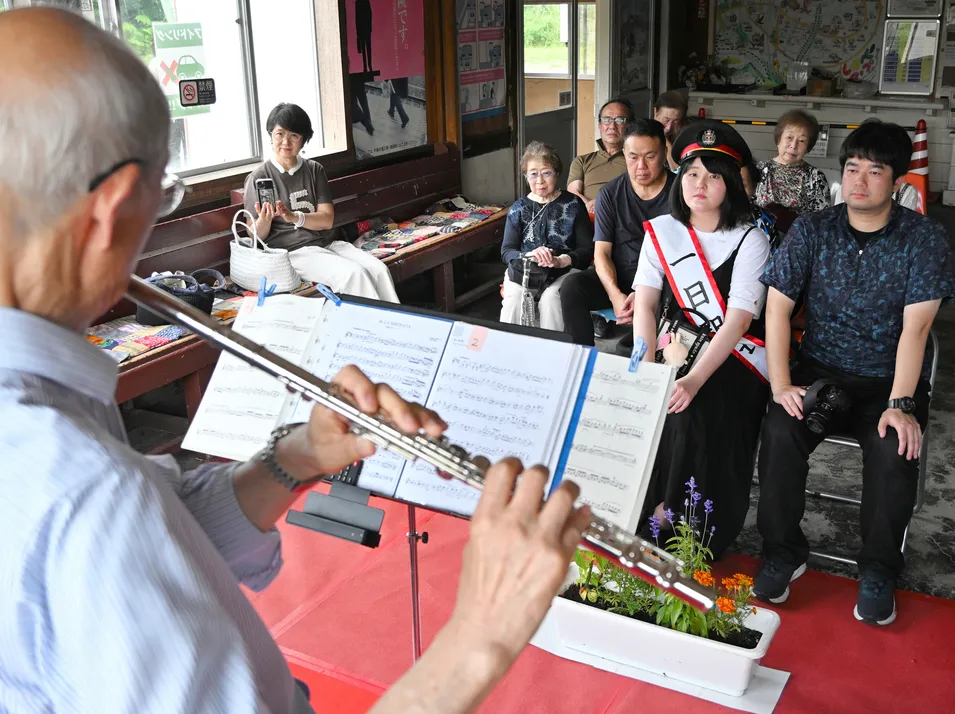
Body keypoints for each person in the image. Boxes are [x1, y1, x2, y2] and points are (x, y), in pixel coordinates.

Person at [0, 8, 593, 713]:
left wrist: (300, 456)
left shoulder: (59, 434)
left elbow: (152, 545)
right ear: (112, 209)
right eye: (162, 197)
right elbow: (111, 527)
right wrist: (482, 637)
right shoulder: (82, 491)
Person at [753, 119, 955, 626]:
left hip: (889, 382)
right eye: (850, 168)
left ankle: (879, 569)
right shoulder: (814, 228)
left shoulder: (923, 239)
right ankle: (783, 551)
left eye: (874, 170)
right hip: (821, 374)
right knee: (780, 430)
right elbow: (776, 309)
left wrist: (901, 405)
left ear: (897, 182)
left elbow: (916, 332)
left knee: (894, 449)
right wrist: (781, 384)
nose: (858, 181)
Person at [633, 121, 771, 558]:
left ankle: (687, 525)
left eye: (714, 176)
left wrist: (693, 380)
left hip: (730, 359)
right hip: (670, 347)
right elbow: (646, 304)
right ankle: (644, 509)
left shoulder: (752, 239)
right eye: (692, 173)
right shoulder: (661, 232)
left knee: (694, 406)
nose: (701, 184)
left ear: (731, 185)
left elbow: (738, 320)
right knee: (646, 396)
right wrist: (646, 359)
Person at [244, 103, 399, 302]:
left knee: (378, 270)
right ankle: (369, 330)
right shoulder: (258, 177)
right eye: (279, 134)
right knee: (354, 275)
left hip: (328, 244)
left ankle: (393, 327)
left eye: (294, 135)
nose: (285, 142)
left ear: (303, 140)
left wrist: (293, 217)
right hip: (293, 253)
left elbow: (326, 220)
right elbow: (254, 235)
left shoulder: (314, 170)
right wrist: (264, 220)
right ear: (270, 136)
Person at [560, 118, 674, 348]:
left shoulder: (680, 192)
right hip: (622, 277)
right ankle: (581, 359)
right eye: (633, 157)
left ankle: (650, 348)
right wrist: (614, 294)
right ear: (624, 153)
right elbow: (601, 253)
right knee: (573, 287)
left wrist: (644, 296)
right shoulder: (610, 194)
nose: (641, 166)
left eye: (650, 157)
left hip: (665, 283)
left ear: (663, 153)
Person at [499, 142, 594, 331]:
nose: (540, 181)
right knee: (515, 298)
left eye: (546, 172)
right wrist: (529, 256)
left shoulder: (574, 204)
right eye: (533, 174)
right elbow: (507, 251)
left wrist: (561, 260)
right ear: (526, 177)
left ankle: (553, 353)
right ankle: (509, 349)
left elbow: (586, 249)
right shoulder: (518, 209)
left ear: (557, 173)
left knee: (552, 298)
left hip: (564, 270)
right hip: (525, 270)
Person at [754, 109, 831, 233]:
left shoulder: (816, 178)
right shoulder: (759, 170)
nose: (793, 145)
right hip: (760, 242)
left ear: (808, 147)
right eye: (789, 137)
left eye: (802, 141)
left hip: (798, 244)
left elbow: (822, 223)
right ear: (779, 139)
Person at [567, 98, 633, 214]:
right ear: (600, 125)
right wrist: (590, 206)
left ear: (630, 126)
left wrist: (602, 204)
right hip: (587, 217)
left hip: (622, 216)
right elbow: (573, 193)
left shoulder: (635, 160)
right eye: (607, 120)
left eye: (619, 120)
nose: (612, 126)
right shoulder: (582, 161)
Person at [653, 90, 690, 171]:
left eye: (676, 122)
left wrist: (665, 142)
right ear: (655, 113)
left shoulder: (685, 137)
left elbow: (679, 173)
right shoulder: (643, 134)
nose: (669, 127)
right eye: (666, 120)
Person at [355, 0, 373, 72]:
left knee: (367, 48)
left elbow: (369, 14)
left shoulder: (361, 2)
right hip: (363, 30)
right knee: (366, 48)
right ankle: (367, 66)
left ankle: (368, 66)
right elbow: (369, 14)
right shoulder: (362, 2)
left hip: (364, 29)